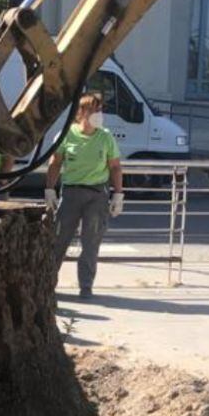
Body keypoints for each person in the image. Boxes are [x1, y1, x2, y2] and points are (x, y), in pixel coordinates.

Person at [45, 92, 125, 299]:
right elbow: (55, 163)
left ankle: (86, 286)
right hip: (71, 193)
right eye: (94, 110)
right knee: (59, 239)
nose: (99, 114)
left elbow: (115, 167)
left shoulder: (105, 137)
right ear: (81, 112)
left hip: (97, 194)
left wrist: (118, 195)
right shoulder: (65, 135)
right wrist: (49, 189)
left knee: (91, 242)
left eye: (100, 110)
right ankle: (46, 284)